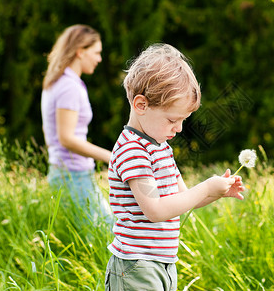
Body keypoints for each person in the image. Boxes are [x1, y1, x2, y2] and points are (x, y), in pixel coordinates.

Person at [104, 43, 245, 290]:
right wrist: (205, 187)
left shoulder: (160, 148)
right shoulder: (133, 150)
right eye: (172, 119)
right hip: (137, 265)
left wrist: (215, 192)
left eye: (183, 120)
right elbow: (156, 210)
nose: (179, 129)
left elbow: (181, 199)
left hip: (163, 263)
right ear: (141, 105)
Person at [41, 24, 112, 224]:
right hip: (73, 176)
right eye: (96, 52)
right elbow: (66, 138)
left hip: (67, 173)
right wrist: (111, 157)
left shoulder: (58, 82)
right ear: (80, 52)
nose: (99, 58)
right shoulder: (68, 86)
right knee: (108, 235)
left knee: (97, 238)